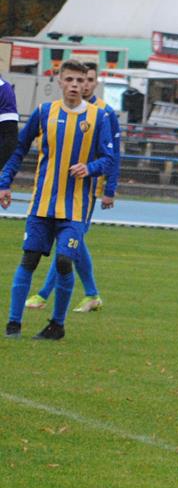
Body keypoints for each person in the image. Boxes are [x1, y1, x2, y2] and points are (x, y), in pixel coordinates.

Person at [0, 60, 118, 340]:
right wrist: (5, 182)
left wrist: (90, 168)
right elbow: (19, 148)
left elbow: (110, 158)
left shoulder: (98, 117)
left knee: (65, 261)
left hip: (75, 207)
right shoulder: (44, 113)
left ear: (89, 84)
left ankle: (57, 325)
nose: (75, 86)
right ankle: (13, 324)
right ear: (60, 82)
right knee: (29, 260)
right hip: (41, 204)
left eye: (80, 80)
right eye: (70, 80)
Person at [28, 60, 120, 314]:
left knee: (69, 245)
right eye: (80, 79)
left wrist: (109, 189)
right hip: (56, 192)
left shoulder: (103, 113)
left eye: (89, 80)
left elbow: (114, 155)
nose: (84, 85)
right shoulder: (59, 110)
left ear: (95, 82)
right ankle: (91, 294)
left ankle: (44, 294)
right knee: (72, 243)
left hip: (85, 193)